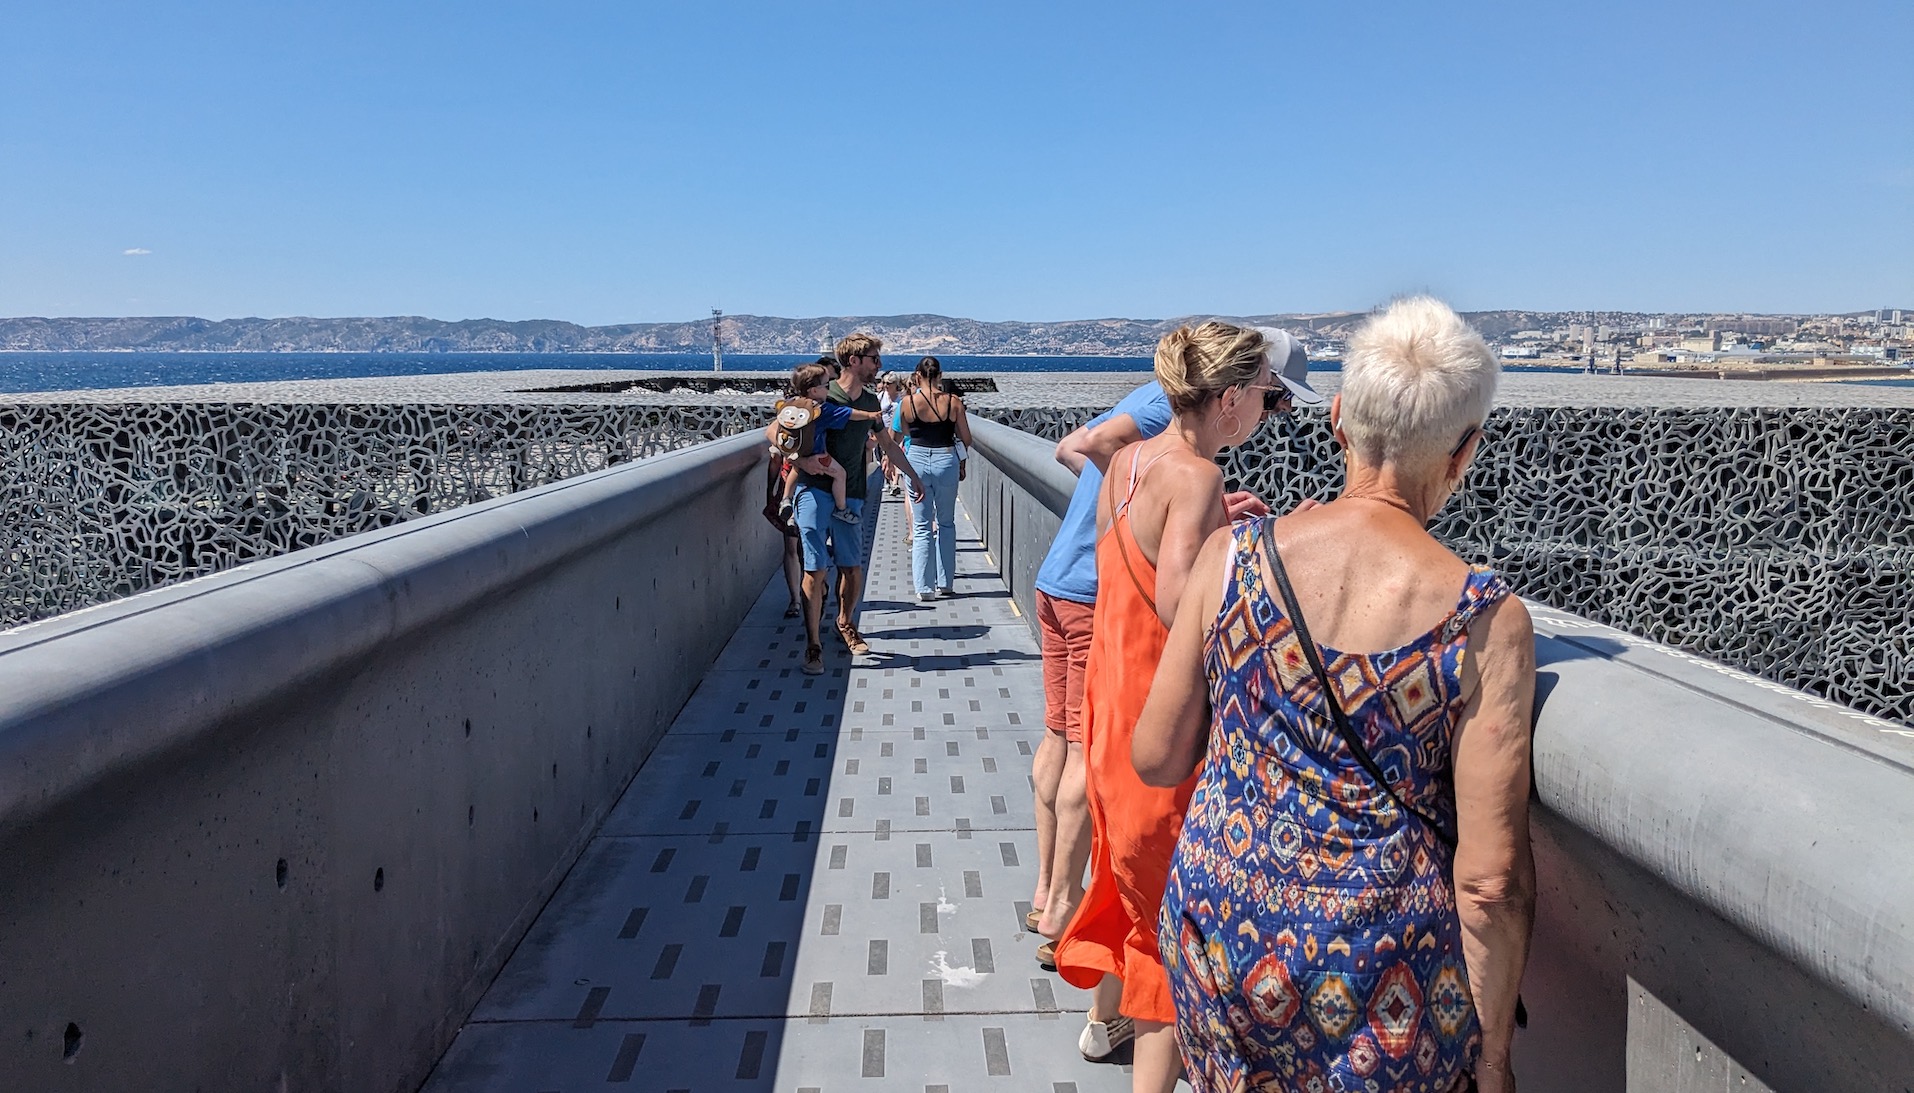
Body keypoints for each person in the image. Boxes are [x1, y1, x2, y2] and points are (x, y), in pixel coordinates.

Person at [1134, 297, 1537, 1093]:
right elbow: (1489, 883)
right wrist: (1492, 1062)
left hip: (1220, 936)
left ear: (1341, 418)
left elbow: (1156, 755)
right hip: (1371, 977)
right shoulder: (1485, 620)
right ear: (1463, 453)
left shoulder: (1232, 557)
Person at [1054, 321, 1299, 1093]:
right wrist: (1252, 546)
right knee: (1167, 937)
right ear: (1229, 400)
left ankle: (1102, 1024)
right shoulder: (1194, 479)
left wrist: (1224, 520)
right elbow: (1183, 609)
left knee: (1128, 896)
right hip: (1159, 744)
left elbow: (1137, 570)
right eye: (1266, 394)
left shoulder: (1129, 460)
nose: (1269, 407)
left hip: (1109, 721)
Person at [791, 333, 923, 676]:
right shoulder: (821, 394)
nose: (878, 366)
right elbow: (779, 430)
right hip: (814, 489)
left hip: (853, 492)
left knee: (851, 567)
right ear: (854, 361)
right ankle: (813, 645)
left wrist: (913, 476)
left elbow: (888, 446)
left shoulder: (869, 403)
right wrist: (800, 461)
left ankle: (845, 623)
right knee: (815, 568)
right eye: (874, 359)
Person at [772, 363, 888, 526]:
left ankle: (786, 499)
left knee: (796, 470)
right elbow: (849, 414)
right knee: (840, 474)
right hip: (819, 456)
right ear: (814, 390)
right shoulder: (821, 409)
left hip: (799, 452)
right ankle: (842, 509)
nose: (829, 389)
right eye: (826, 385)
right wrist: (869, 415)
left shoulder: (792, 404)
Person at [898, 357, 973, 601]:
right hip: (946, 459)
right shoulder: (953, 402)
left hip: (917, 460)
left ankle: (924, 587)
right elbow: (966, 438)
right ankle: (946, 582)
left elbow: (902, 433)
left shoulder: (907, 402)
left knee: (921, 526)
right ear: (940, 375)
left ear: (917, 376)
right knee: (946, 523)